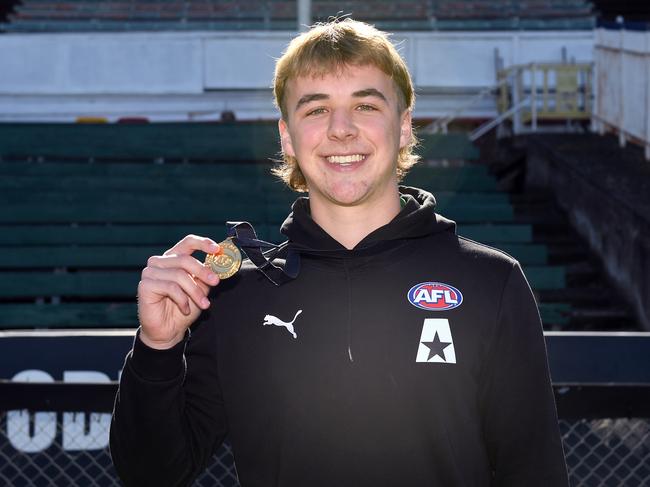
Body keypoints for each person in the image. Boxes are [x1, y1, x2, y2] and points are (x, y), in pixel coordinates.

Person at [110, 19, 569, 487]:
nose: (341, 130)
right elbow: (150, 475)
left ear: (405, 124)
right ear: (287, 136)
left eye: (365, 105)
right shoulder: (236, 296)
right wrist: (158, 348)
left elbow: (536, 472)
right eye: (316, 110)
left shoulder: (490, 282)